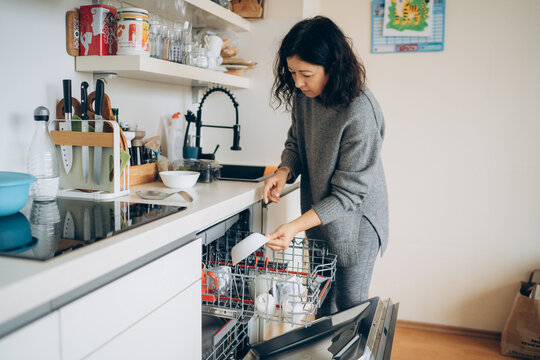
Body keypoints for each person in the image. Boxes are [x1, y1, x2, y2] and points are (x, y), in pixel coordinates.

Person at [263, 16, 389, 315]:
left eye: (305, 73)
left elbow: (349, 196)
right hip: (320, 214)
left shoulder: (361, 112)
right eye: (292, 72)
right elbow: (296, 142)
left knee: (349, 305)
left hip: (357, 220)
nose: (297, 82)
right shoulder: (305, 96)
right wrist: (284, 171)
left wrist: (293, 226)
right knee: (321, 303)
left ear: (332, 66)